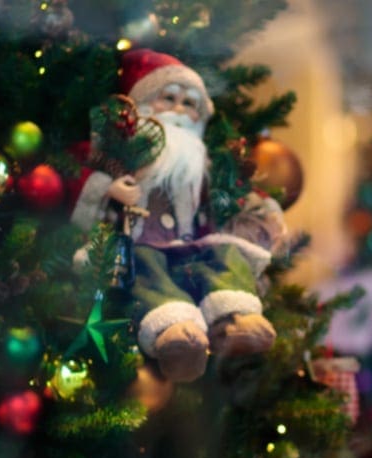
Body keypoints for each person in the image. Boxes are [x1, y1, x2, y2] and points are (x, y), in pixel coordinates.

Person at [70, 48, 276, 383]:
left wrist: (254, 206)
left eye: (189, 103)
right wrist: (108, 188)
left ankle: (235, 320)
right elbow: (73, 168)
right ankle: (177, 335)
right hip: (137, 245)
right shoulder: (122, 149)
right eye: (169, 98)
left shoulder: (201, 161)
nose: (180, 110)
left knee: (224, 252)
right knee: (146, 266)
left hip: (187, 245)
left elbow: (229, 195)